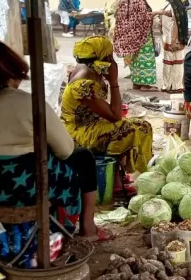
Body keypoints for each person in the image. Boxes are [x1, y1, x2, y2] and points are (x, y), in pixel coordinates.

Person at [0, 38, 105, 240]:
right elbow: (65, 150)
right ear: (13, 70)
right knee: (83, 157)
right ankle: (88, 229)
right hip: (28, 189)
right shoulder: (29, 103)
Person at [62, 37, 154, 176]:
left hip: (93, 124)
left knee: (144, 126)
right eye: (109, 55)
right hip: (77, 132)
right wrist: (113, 82)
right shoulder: (83, 84)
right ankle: (115, 175)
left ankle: (142, 171)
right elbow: (115, 115)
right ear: (104, 56)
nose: (111, 59)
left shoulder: (89, 66)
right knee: (127, 130)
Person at [113, 0, 159, 91]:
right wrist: (159, 12)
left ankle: (137, 83)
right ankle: (145, 84)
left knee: (136, 59)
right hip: (142, 35)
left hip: (135, 36)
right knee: (146, 58)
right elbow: (143, 17)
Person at [159, 0, 189, 92]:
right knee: (177, 62)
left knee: (169, 62)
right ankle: (176, 86)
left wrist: (173, 40)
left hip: (172, 37)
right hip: (177, 37)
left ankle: (168, 85)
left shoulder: (172, 4)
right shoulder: (178, 3)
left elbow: (177, 23)